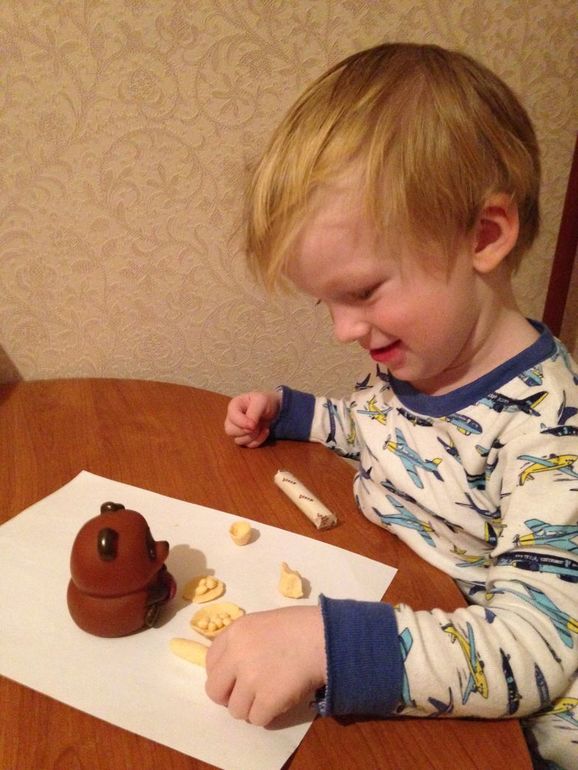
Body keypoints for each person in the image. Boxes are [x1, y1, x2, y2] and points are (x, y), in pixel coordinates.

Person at [208, 42, 578, 769]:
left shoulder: (551, 430)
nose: (343, 330)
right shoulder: (422, 363)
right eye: (328, 303)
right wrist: (294, 413)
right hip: (406, 605)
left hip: (519, 728)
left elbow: (534, 649)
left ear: (484, 237)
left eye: (363, 292)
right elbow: (384, 433)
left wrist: (327, 645)